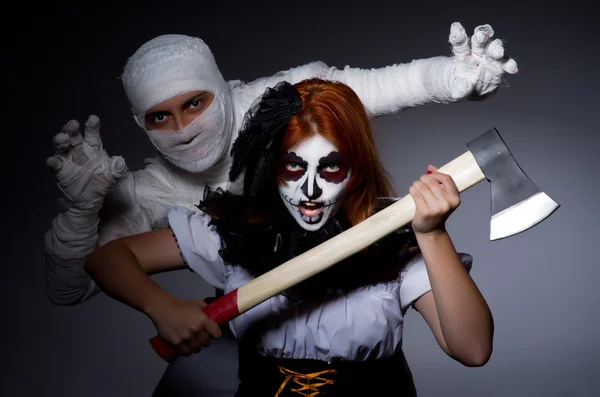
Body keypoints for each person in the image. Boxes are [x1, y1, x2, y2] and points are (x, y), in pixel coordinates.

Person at [84, 78, 494, 396]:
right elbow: (106, 259)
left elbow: (472, 350)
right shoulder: (237, 232)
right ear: (271, 166)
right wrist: (160, 305)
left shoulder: (393, 235)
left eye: (331, 168)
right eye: (293, 168)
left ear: (358, 168)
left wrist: (433, 233)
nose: (310, 191)